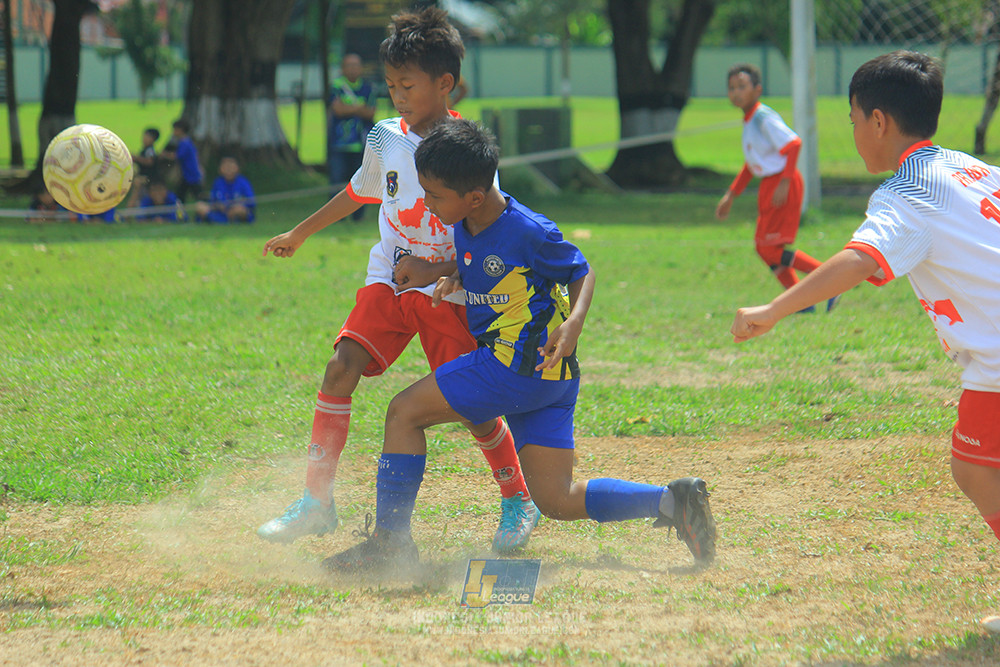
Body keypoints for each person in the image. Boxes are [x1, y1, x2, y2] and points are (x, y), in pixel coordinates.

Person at [325, 118, 717, 573]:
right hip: (550, 378)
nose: (426, 205)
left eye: (433, 195)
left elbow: (581, 269)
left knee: (403, 412)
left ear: (473, 196)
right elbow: (490, 260)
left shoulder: (529, 227)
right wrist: (442, 271)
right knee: (556, 498)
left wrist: (573, 324)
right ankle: (673, 501)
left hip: (511, 365)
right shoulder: (471, 217)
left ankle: (389, 544)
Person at [729, 50, 1000, 632]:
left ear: (878, 121)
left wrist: (773, 309)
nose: (853, 132)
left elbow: (859, 260)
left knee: (976, 469)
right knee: (976, 466)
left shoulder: (904, 195)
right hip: (987, 359)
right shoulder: (972, 167)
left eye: (853, 120)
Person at [257, 7, 537, 555]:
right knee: (341, 367)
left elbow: (493, 237)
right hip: (388, 279)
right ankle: (316, 502)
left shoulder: (467, 152)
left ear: (445, 83)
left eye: (407, 85)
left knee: (473, 406)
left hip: (446, 293)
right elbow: (360, 191)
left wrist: (438, 269)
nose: (398, 96)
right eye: (390, 86)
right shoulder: (384, 137)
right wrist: (302, 231)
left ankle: (518, 499)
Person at [715, 63, 835, 313]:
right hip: (771, 183)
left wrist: (785, 181)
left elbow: (793, 144)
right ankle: (803, 304)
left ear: (757, 90)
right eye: (731, 88)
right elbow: (751, 166)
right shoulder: (749, 120)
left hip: (782, 182)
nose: (736, 92)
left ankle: (830, 280)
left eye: (742, 86)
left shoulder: (762, 117)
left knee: (770, 247)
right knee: (764, 248)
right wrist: (731, 195)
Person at [328, 53, 377, 221]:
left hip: (361, 144)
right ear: (342, 68)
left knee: (360, 181)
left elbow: (370, 112)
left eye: (356, 65)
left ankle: (357, 216)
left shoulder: (367, 87)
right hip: (339, 143)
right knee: (337, 180)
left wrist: (349, 107)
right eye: (349, 65)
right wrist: (358, 108)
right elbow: (337, 110)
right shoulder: (337, 86)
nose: (353, 68)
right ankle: (336, 216)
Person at [195, 156, 255, 223]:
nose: (228, 170)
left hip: (235, 211)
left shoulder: (243, 182)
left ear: (237, 168)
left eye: (231, 167)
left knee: (240, 210)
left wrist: (236, 206)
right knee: (200, 206)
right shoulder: (217, 182)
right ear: (220, 169)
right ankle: (217, 220)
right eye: (225, 167)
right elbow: (212, 200)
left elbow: (251, 201)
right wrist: (217, 206)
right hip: (220, 212)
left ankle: (222, 221)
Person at [160, 119, 203, 203]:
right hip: (187, 174)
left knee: (196, 195)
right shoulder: (186, 142)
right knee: (182, 194)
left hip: (191, 174)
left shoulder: (184, 143)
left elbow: (177, 156)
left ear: (181, 130)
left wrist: (164, 155)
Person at [128, 127, 160, 208]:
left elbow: (149, 161)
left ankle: (130, 210)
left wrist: (136, 158)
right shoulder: (145, 150)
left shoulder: (150, 150)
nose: (144, 139)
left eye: (147, 137)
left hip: (148, 178)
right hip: (144, 177)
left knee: (137, 190)